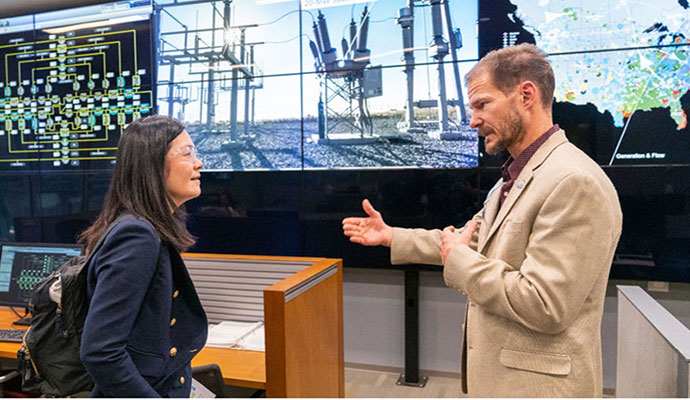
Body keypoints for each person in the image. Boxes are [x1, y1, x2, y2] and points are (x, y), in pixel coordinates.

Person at [342, 43, 622, 397]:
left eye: (481, 104)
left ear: (526, 95)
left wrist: (460, 261)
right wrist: (391, 236)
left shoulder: (573, 182)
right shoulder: (518, 177)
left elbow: (545, 304)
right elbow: (468, 241)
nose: (472, 119)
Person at [78, 115, 207, 397]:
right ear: (154, 164)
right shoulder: (137, 235)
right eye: (187, 154)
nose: (199, 163)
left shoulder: (144, 227)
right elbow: (100, 352)